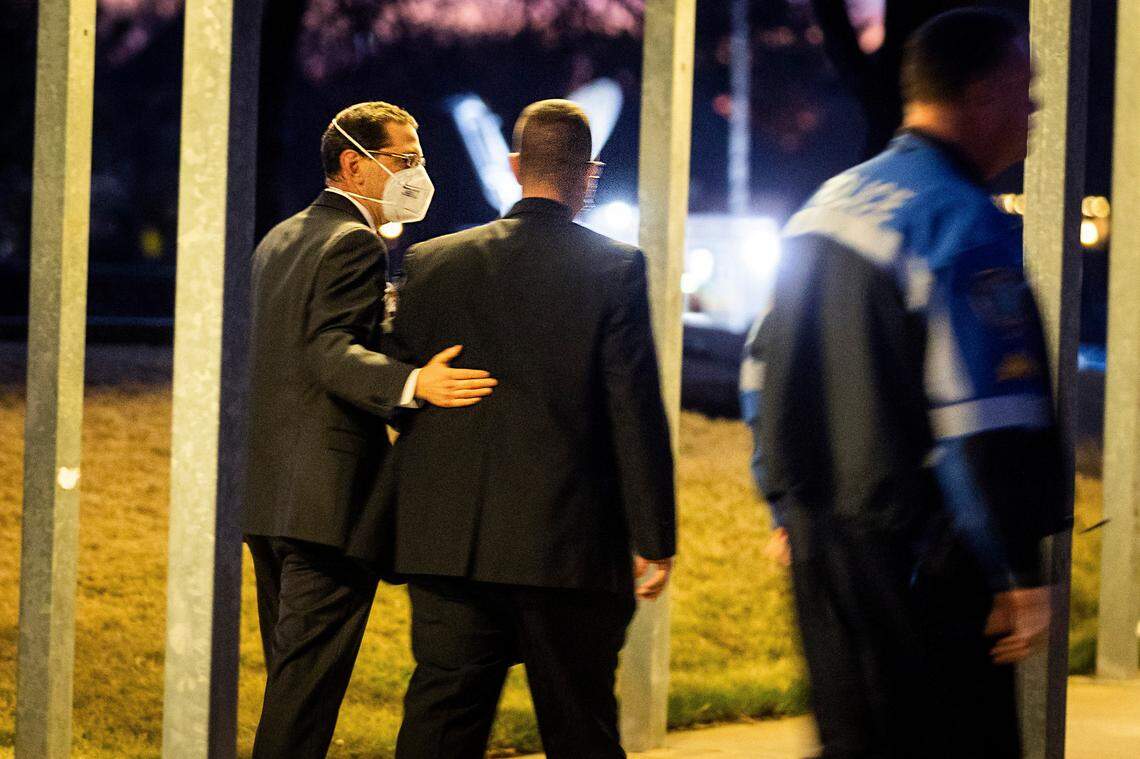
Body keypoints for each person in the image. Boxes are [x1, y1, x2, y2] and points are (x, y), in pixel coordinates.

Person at [746, 10, 1069, 758]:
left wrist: (782, 506)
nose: (1034, 111)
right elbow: (982, 415)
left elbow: (759, 374)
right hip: (924, 565)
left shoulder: (822, 209)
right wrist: (1015, 565)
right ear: (983, 93)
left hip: (825, 556)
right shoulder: (959, 224)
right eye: (1027, 91)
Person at [362, 99, 676, 759]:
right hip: (566, 545)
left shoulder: (435, 262)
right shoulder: (615, 268)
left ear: (512, 166)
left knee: (440, 728)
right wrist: (654, 535)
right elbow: (632, 406)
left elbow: (394, 390)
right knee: (579, 725)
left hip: (450, 544)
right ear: (589, 175)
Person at [243, 101, 497, 759]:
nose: (418, 175)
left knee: (290, 680)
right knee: (302, 699)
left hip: (269, 497)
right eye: (404, 160)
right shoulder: (353, 241)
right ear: (356, 165)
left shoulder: (280, 237)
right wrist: (416, 384)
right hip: (327, 506)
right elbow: (328, 349)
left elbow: (289, 352)